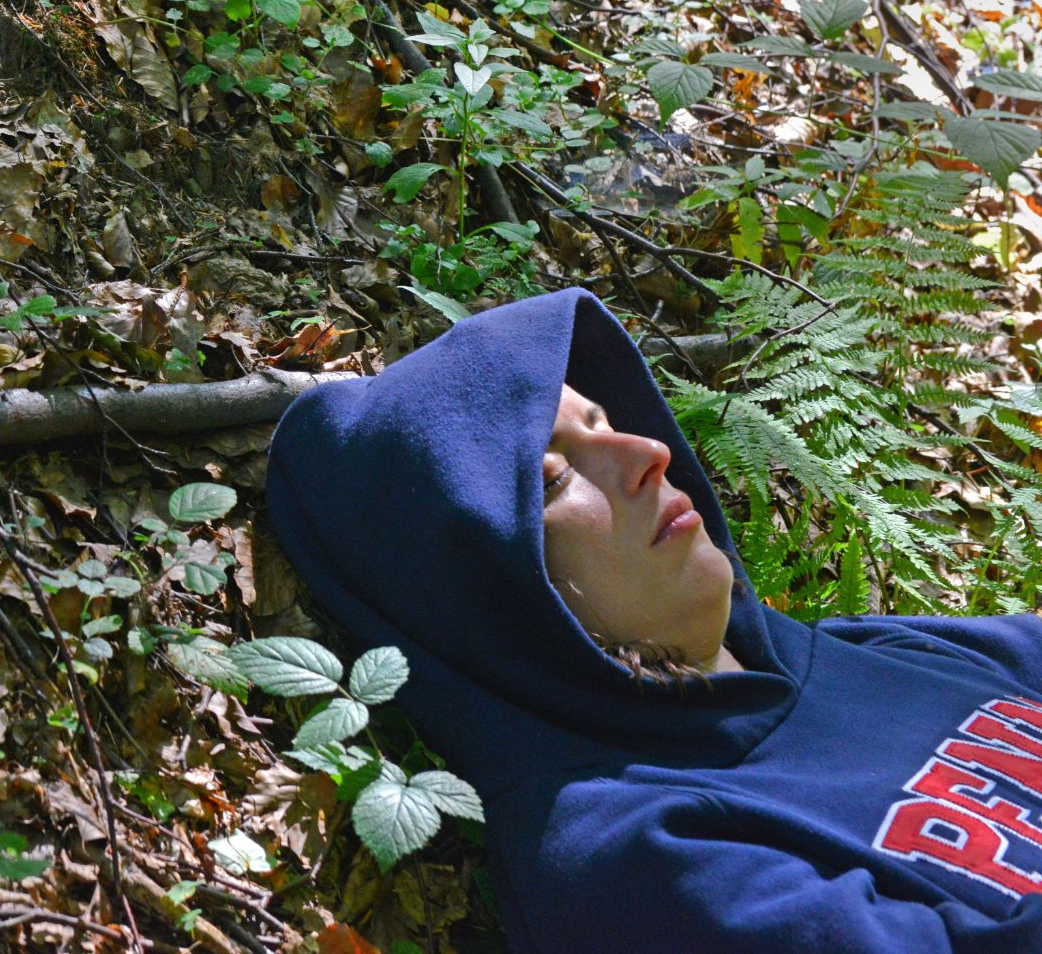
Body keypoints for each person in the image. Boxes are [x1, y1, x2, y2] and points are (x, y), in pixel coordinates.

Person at [266, 286, 1042, 951]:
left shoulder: (855, 653)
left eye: (606, 418)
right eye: (557, 476)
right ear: (492, 603)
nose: (648, 451)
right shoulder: (633, 855)